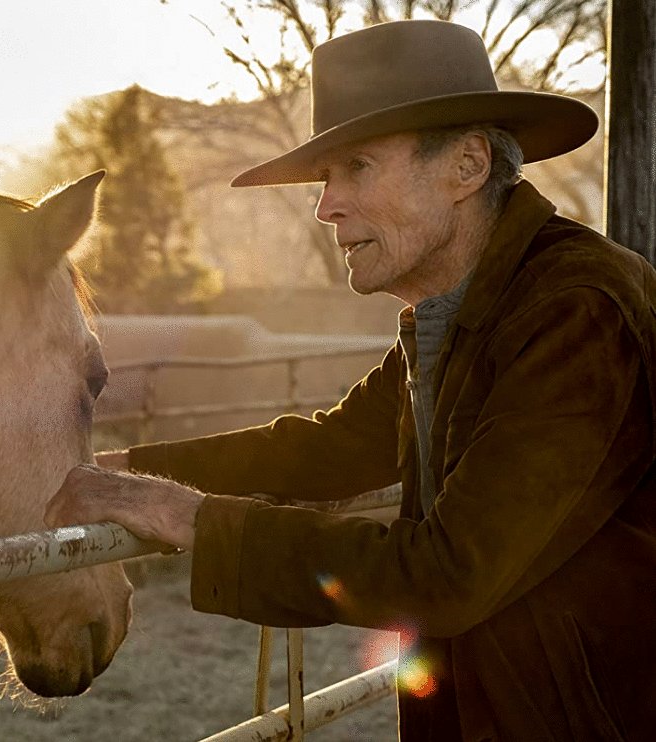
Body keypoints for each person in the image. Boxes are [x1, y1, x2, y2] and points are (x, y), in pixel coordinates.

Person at [45, 19, 656, 741]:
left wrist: (188, 520)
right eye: (326, 176)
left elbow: (447, 575)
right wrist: (120, 472)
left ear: (467, 166)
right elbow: (330, 447)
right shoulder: (470, 309)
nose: (325, 203)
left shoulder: (574, 312)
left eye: (356, 167)